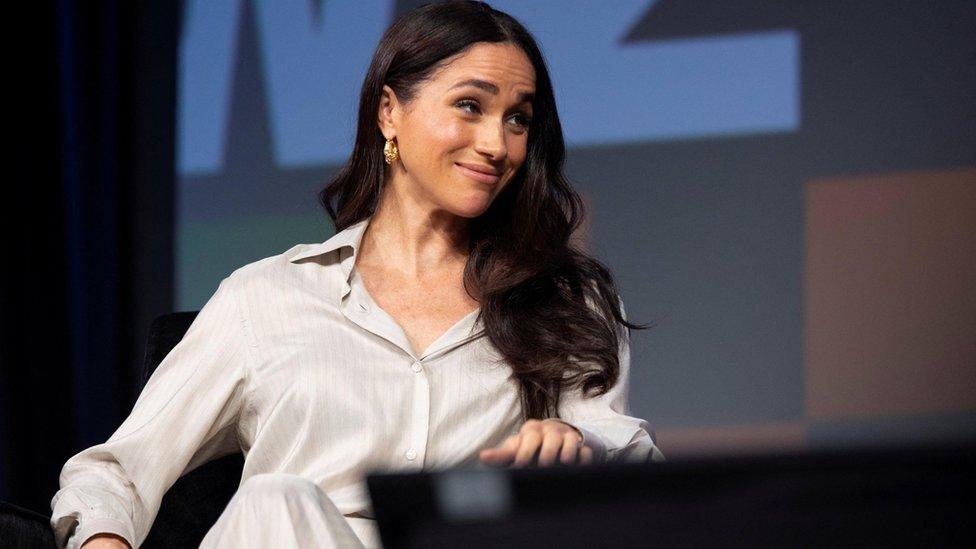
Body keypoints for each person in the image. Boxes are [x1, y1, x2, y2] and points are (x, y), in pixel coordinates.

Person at [50, 1, 665, 547]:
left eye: (518, 120)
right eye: (470, 106)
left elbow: (641, 478)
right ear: (390, 112)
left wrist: (581, 455)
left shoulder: (561, 301)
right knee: (277, 500)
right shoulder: (267, 298)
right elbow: (114, 472)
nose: (496, 144)